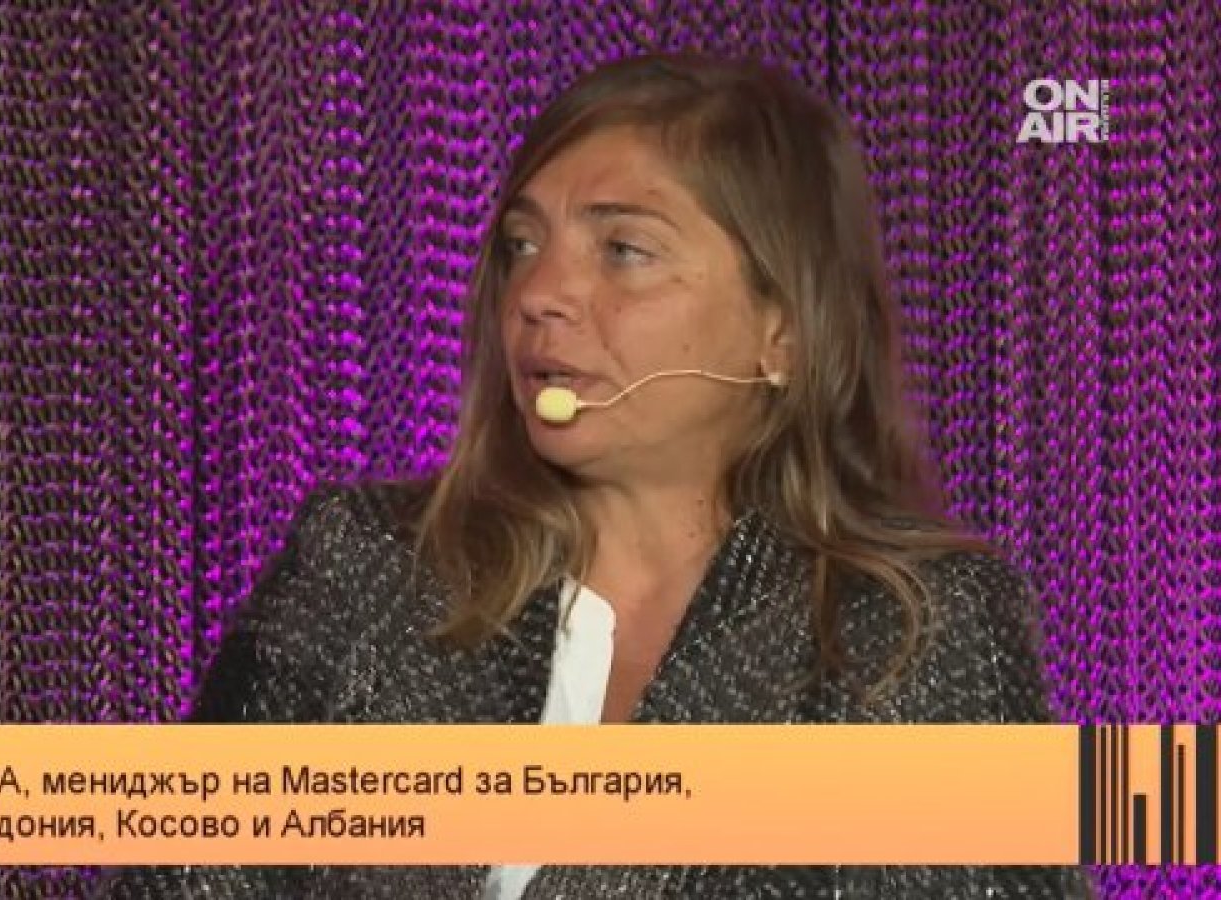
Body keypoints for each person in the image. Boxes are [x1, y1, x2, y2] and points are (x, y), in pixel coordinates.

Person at [102, 51, 1096, 898]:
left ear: (782, 333)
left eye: (623, 250)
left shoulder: (914, 626)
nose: (540, 294)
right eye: (521, 245)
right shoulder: (363, 564)